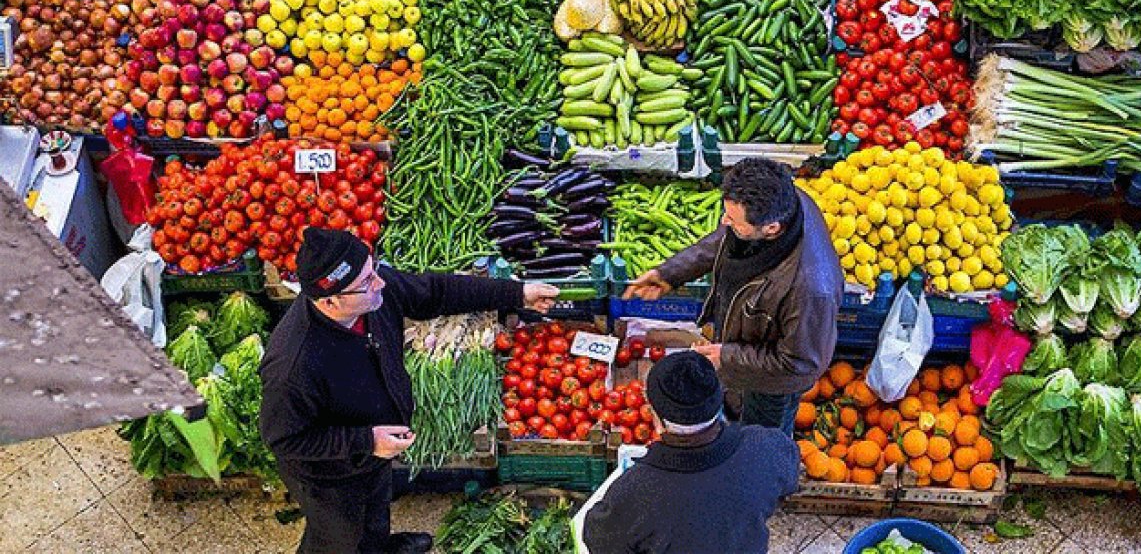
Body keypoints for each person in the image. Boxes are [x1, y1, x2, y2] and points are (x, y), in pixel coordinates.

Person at [259, 228, 559, 554]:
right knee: (341, 537)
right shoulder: (293, 365)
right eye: (367, 282)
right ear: (330, 300)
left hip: (373, 451)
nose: (381, 283)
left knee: (374, 510)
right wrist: (367, 441)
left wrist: (516, 293)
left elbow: (435, 292)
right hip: (331, 475)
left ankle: (382, 546)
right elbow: (283, 439)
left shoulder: (371, 295)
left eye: (373, 270)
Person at [624, 158, 842, 434]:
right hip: (746, 347)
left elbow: (799, 364)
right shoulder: (783, 200)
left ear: (772, 228)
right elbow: (727, 238)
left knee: (761, 437)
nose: (725, 222)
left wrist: (726, 356)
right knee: (737, 408)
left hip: (771, 385)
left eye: (734, 220)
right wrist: (671, 273)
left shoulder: (811, 290)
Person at [582, 351, 799, 553]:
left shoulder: (633, 493)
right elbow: (788, 482)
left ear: (656, 418)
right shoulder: (768, 447)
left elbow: (598, 540)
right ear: (718, 402)